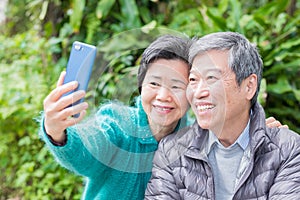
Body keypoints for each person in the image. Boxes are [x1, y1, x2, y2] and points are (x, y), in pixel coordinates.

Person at [40, 34, 285, 200]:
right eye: (155, 83)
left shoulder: (199, 139)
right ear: (141, 87)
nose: (164, 96)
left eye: (177, 86)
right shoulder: (116, 124)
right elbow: (87, 150)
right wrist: (58, 132)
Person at [145, 32, 300, 199]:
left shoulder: (288, 150)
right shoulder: (171, 151)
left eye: (211, 78)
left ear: (249, 86)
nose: (198, 92)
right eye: (193, 80)